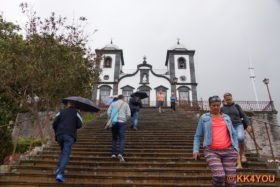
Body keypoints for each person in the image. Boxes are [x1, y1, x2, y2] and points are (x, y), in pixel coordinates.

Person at [193, 95, 239, 187]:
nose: (216, 107)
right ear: (209, 106)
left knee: (231, 181)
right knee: (219, 175)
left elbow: (233, 133)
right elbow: (198, 135)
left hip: (229, 151)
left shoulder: (226, 117)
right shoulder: (204, 118)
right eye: (213, 105)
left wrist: (236, 148)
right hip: (211, 151)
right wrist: (196, 150)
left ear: (220, 105)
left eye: (218, 105)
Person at [52, 101, 83, 182]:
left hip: (60, 135)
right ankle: (60, 173)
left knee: (63, 152)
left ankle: (59, 168)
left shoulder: (61, 112)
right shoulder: (76, 113)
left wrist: (57, 131)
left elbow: (54, 123)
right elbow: (80, 124)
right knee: (66, 153)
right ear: (75, 105)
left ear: (68, 104)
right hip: (69, 135)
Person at [221, 92, 252, 169]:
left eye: (230, 99)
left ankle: (243, 154)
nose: (229, 101)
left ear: (232, 98)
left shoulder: (237, 106)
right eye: (227, 99)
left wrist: (248, 124)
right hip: (229, 127)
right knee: (233, 143)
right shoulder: (222, 109)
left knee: (240, 138)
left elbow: (243, 115)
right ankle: (238, 158)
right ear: (224, 100)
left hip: (238, 124)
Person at [107, 95, 131, 162]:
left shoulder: (113, 103)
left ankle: (113, 154)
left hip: (114, 122)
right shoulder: (125, 104)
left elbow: (108, 112)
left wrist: (112, 118)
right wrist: (125, 119)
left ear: (117, 98)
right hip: (122, 122)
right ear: (123, 98)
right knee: (122, 138)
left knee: (114, 138)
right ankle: (120, 153)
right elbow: (129, 114)